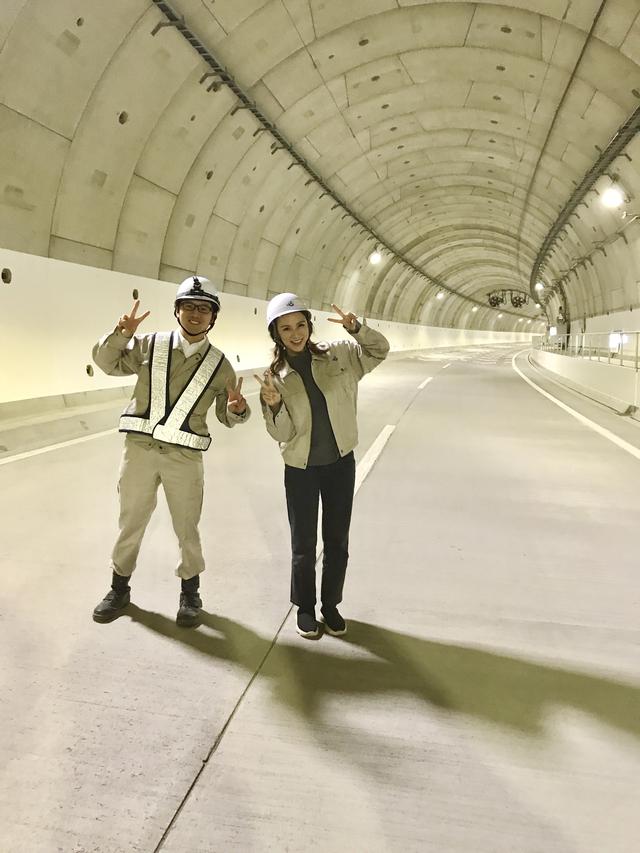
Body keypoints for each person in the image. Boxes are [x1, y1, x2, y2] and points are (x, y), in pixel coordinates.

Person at [92, 276, 250, 627]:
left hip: (185, 457)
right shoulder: (149, 344)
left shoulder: (221, 365)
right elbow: (107, 362)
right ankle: (118, 589)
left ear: (213, 317)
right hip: (140, 451)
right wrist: (121, 334)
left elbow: (226, 414)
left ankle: (190, 593)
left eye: (204, 308)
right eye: (188, 306)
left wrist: (237, 409)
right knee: (130, 521)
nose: (196, 314)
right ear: (177, 311)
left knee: (186, 526)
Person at [254, 293, 389, 639]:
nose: (295, 334)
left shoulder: (339, 354)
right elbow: (281, 434)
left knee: (337, 541)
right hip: (300, 469)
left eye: (300, 325)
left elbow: (379, 350)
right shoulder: (274, 377)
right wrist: (273, 406)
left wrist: (357, 329)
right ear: (276, 334)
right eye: (286, 328)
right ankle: (304, 608)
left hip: (340, 464)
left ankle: (331, 606)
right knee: (303, 545)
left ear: (309, 325)